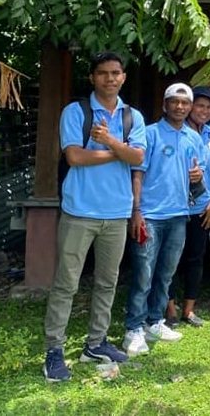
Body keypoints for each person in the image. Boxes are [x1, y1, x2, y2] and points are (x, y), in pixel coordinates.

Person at [43, 52, 146, 383]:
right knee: (66, 284)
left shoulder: (133, 117)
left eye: (116, 73)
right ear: (93, 78)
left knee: (107, 282)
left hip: (117, 213)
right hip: (80, 211)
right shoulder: (76, 112)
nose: (110, 79)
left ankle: (96, 343)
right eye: (103, 73)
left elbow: (139, 156)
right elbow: (74, 156)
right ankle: (53, 350)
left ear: (124, 77)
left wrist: (110, 142)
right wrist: (118, 152)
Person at [124, 83, 206, 357]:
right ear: (165, 105)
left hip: (179, 215)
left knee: (165, 274)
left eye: (185, 103)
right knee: (143, 274)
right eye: (175, 102)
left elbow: (198, 172)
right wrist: (136, 210)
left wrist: (197, 176)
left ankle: (154, 321)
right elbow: (138, 173)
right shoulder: (149, 134)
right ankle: (133, 329)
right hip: (149, 215)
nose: (180, 107)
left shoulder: (193, 137)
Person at [166, 86, 210, 328]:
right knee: (170, 259)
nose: (204, 110)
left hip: (203, 208)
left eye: (209, 107)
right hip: (174, 207)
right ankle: (169, 308)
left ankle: (188, 310)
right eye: (200, 105)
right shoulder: (176, 131)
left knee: (195, 258)